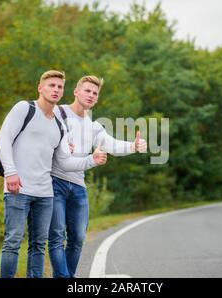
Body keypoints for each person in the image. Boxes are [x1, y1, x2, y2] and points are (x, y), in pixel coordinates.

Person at [0, 70, 107, 278]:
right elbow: (2, 140)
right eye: (51, 85)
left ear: (64, 91)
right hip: (18, 188)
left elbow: (64, 161)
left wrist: (92, 159)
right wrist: (10, 172)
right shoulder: (24, 109)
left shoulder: (58, 124)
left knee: (38, 245)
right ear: (40, 87)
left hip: (46, 193)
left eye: (59, 87)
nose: (56, 90)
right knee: (13, 242)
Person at [48, 75, 147, 278]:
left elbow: (111, 144)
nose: (91, 95)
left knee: (77, 238)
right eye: (87, 91)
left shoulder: (93, 126)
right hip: (54, 182)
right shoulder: (58, 112)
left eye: (95, 93)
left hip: (77, 186)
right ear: (76, 92)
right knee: (57, 237)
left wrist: (133, 146)